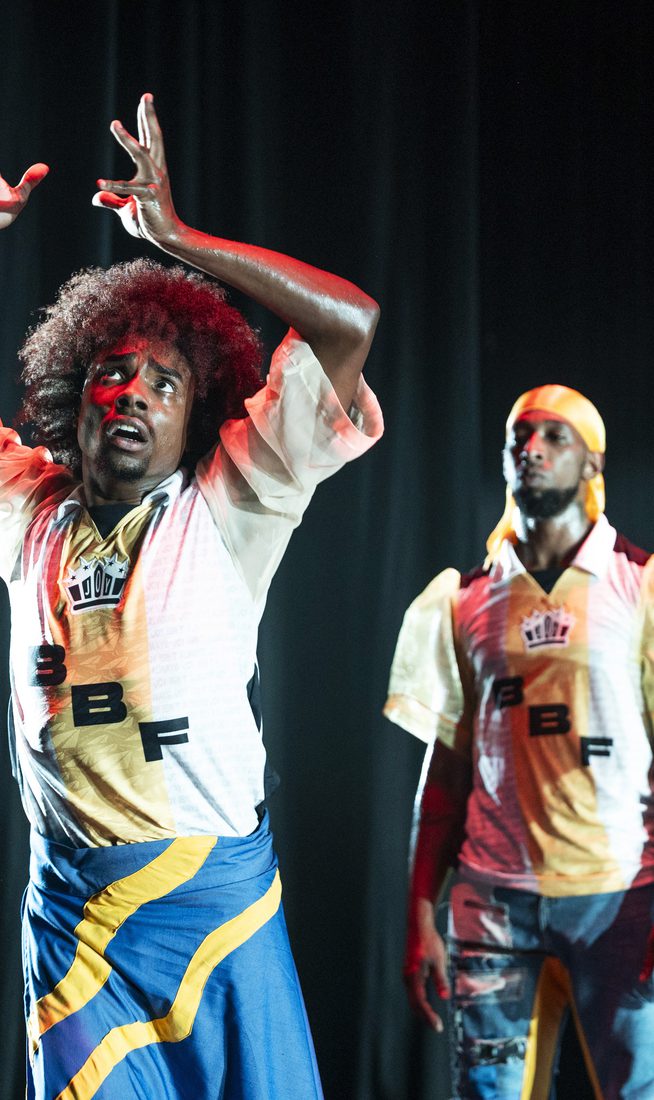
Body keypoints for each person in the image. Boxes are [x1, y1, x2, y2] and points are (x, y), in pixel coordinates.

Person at [1, 94, 382, 1100]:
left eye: (163, 383)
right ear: (66, 392)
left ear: (198, 413)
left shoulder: (235, 498)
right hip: (75, 920)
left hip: (216, 905)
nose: (130, 393)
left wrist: (178, 238)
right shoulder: (23, 506)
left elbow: (351, 323)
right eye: (110, 373)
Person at [384, 386, 654, 1099]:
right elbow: (445, 774)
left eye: (551, 437)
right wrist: (418, 915)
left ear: (592, 460)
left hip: (619, 895)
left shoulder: (643, 585)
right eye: (518, 438)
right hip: (493, 904)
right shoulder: (464, 598)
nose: (529, 450)